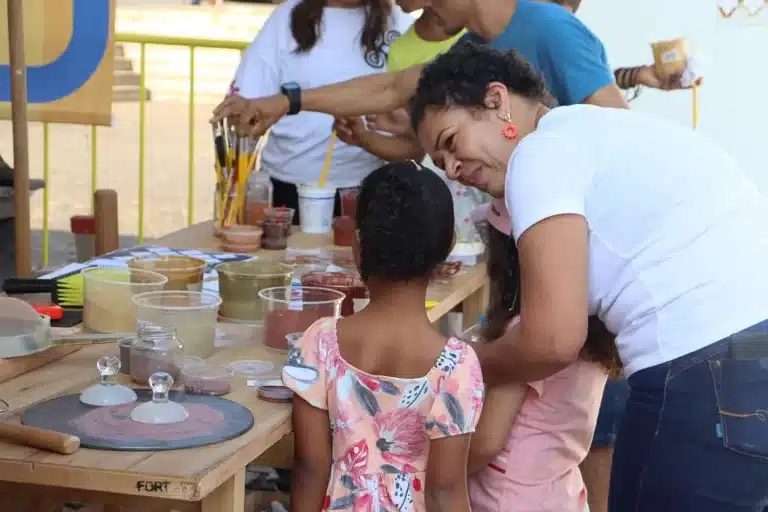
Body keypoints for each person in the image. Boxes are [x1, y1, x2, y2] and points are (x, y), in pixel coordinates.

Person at [411, 40, 768, 511]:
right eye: (440, 164)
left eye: (451, 143)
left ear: (496, 100)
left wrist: (453, 366)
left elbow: (551, 340)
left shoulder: (539, 155)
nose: (454, 169)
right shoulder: (588, 131)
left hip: (701, 366)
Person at [281, 160, 485, 512]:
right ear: (447, 247)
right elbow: (444, 492)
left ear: (358, 248)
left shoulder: (319, 342)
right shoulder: (457, 367)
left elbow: (310, 468)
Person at [211, 0, 628, 136]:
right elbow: (392, 88)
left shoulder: (551, 27)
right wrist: (288, 101)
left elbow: (620, 130)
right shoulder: (473, 48)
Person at [465, 202, 616, 511]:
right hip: (562, 491)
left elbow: (488, 443)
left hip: (506, 496)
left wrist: (435, 471)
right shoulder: (595, 328)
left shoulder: (530, 333)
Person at [228, 0, 412, 223]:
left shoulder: (400, 24)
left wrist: (369, 136)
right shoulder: (287, 17)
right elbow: (246, 105)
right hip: (284, 191)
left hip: (365, 194)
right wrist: (241, 113)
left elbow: (413, 137)